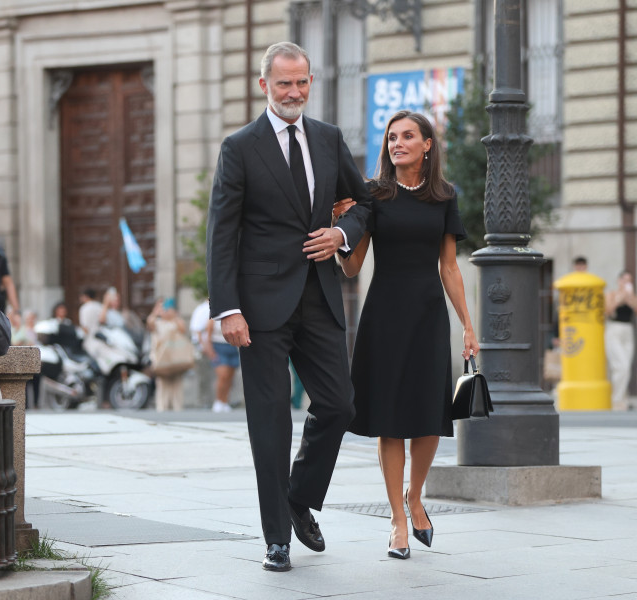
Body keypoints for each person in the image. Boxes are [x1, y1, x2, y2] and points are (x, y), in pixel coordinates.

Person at [206, 41, 372, 572]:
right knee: (270, 421)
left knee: (341, 404)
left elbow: (365, 200)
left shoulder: (327, 139)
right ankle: (277, 536)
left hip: (320, 296)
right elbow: (221, 234)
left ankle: (299, 496)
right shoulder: (240, 147)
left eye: (301, 83)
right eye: (284, 84)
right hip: (257, 308)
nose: (294, 92)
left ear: (310, 81)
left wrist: (341, 234)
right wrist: (226, 308)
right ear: (264, 86)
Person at [335, 110, 479, 560]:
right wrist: (342, 229)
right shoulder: (373, 195)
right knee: (390, 418)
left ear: (427, 145)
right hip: (384, 316)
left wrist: (468, 326)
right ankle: (398, 517)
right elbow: (353, 266)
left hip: (428, 315)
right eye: (392, 137)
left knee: (428, 414)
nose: (398, 143)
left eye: (408, 136)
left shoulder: (444, 197)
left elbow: (450, 266)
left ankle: (416, 496)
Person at [604, 270, 637, 411]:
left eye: (629, 280)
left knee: (626, 367)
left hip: (628, 330)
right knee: (620, 366)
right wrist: (620, 298)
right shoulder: (612, 294)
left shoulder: (632, 296)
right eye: (624, 280)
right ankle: (617, 400)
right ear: (619, 281)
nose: (627, 283)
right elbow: (608, 311)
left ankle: (622, 399)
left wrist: (630, 299)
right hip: (614, 329)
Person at [146, 298, 188, 412]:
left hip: (175, 358)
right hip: (161, 358)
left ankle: (177, 409)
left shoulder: (175, 321)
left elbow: (183, 329)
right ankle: (162, 408)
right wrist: (157, 311)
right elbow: (150, 322)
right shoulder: (157, 323)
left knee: (177, 385)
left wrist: (174, 315)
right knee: (162, 385)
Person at [204, 316, 239, 413]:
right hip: (218, 347)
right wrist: (210, 351)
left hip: (232, 346)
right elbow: (208, 336)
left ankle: (225, 401)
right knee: (223, 375)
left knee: (230, 377)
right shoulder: (214, 319)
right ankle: (218, 400)